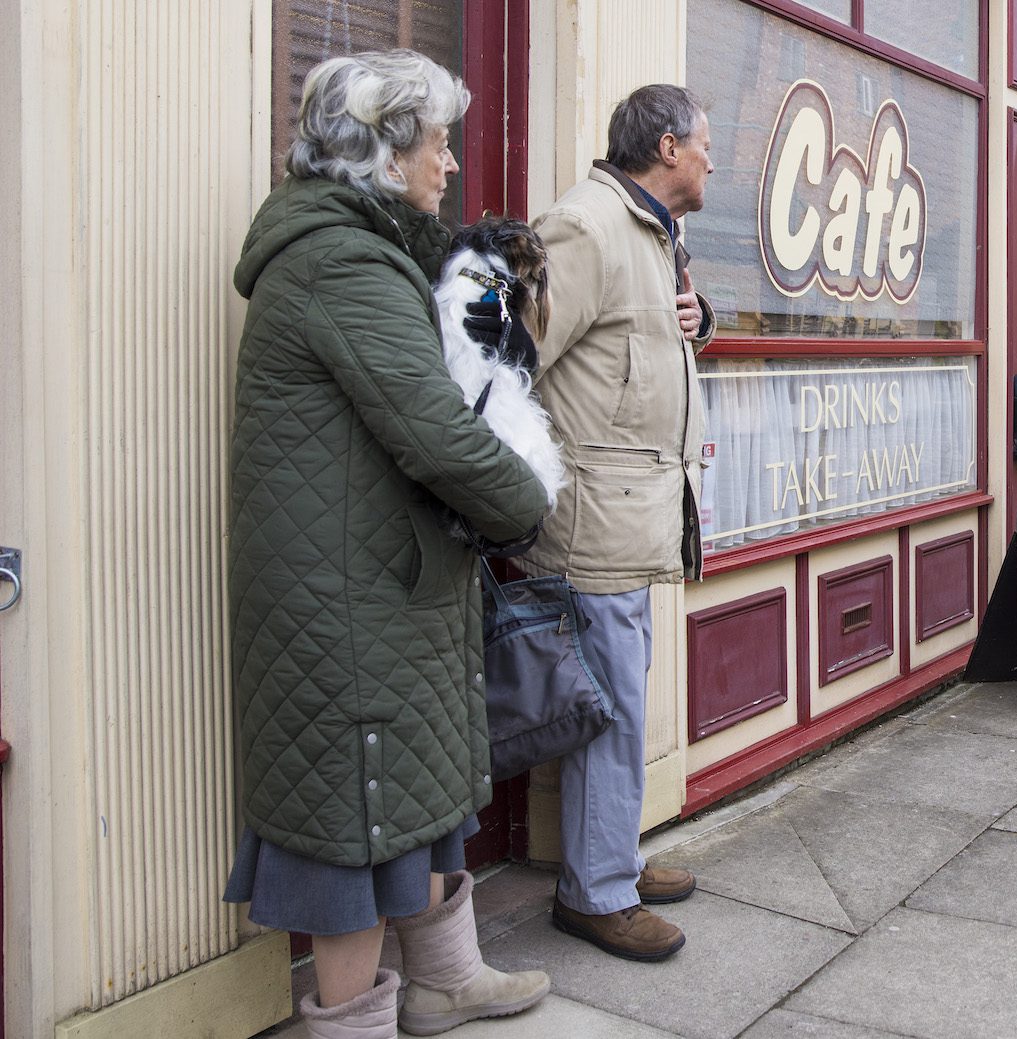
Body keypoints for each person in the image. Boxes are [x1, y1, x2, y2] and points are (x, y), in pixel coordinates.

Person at [223, 50, 551, 1037]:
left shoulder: (365, 251)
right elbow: (437, 429)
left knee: (413, 792)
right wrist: (524, 506)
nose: (450, 166)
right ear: (381, 152)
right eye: (437, 145)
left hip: (381, 588)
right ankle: (354, 1023)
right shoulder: (343, 261)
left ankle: (446, 981)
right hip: (350, 606)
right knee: (356, 828)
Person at [520, 83, 716, 962]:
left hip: (635, 518)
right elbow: (510, 359)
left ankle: (610, 862)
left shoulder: (650, 231)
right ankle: (594, 894)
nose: (714, 161)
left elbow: (633, 350)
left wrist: (698, 321)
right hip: (592, 524)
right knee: (608, 714)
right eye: (705, 145)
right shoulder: (587, 226)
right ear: (668, 147)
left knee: (621, 706)